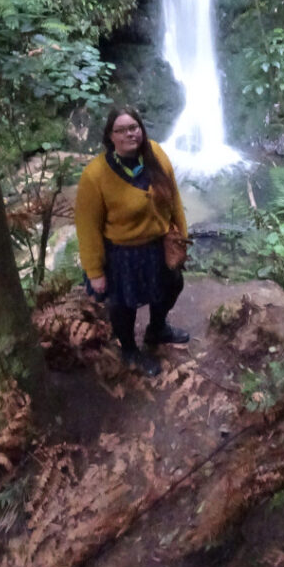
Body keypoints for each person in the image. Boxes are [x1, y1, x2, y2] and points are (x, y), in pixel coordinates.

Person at [74, 106, 190, 376]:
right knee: (124, 305)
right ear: (110, 136)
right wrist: (94, 272)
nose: (130, 134)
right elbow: (87, 227)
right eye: (122, 130)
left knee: (172, 285)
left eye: (134, 127)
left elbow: (174, 200)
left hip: (158, 246)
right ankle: (129, 351)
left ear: (141, 129)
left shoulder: (156, 154)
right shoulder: (96, 175)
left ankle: (157, 329)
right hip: (122, 254)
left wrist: (182, 238)